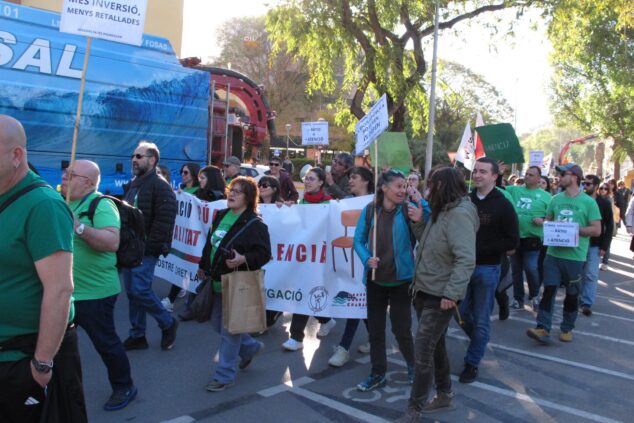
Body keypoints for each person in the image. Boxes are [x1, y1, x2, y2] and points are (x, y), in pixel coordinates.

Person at [0, 115, 87, 422]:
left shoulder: (43, 205)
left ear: (16, 155)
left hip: (24, 359)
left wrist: (41, 366)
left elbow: (60, 289)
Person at [396, 167, 479, 420]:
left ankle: (415, 407)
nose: (428, 190)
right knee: (435, 344)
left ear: (444, 186)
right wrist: (419, 221)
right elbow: (428, 242)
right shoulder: (444, 210)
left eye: (432, 185)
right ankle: (444, 394)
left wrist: (452, 294)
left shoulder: (459, 214)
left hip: (440, 294)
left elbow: (465, 259)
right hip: (426, 288)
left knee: (422, 350)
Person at [61, 160, 137, 410]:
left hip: (95, 292)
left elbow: (111, 242)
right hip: (65, 291)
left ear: (89, 182)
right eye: (65, 173)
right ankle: (62, 389)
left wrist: (78, 226)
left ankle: (124, 386)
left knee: (105, 343)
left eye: (71, 175)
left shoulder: (101, 204)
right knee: (59, 344)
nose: (64, 177)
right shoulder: (62, 202)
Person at [197, 177, 271, 392]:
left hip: (237, 283)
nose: (232, 194)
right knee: (216, 323)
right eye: (231, 189)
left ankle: (224, 376)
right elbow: (210, 244)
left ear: (248, 198)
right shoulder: (220, 215)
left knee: (230, 331)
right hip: (216, 281)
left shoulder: (255, 224)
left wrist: (243, 259)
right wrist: (203, 265)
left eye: (238, 192)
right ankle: (250, 348)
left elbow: (264, 254)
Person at [353, 169, 416, 391]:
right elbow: (358, 240)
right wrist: (366, 258)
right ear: (384, 188)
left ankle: (413, 365)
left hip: (401, 281)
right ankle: (377, 372)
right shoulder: (370, 210)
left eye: (405, 186)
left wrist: (420, 202)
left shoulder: (409, 210)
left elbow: (425, 225)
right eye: (399, 186)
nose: (403, 190)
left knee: (401, 330)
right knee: (376, 331)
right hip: (375, 280)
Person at [458, 158, 518, 384]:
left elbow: (512, 240)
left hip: (488, 268)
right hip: (463, 268)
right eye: (476, 171)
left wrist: (482, 249)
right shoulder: (466, 200)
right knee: (461, 313)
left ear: (494, 176)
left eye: (483, 171)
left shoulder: (503, 204)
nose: (478, 175)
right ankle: (479, 341)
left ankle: (472, 363)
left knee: (482, 318)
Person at [526, 163, 601, 345]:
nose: (558, 177)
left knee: (572, 294)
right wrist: (545, 224)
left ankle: (567, 328)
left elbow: (597, 230)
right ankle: (543, 327)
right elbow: (549, 221)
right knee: (549, 291)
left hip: (575, 257)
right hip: (553, 255)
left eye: (562, 174)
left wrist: (574, 230)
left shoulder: (589, 202)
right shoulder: (556, 199)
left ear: (574, 176)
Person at [122, 141, 179, 351]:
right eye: (133, 156)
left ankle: (167, 322)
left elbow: (164, 223)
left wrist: (150, 248)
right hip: (129, 248)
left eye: (139, 156)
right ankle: (137, 335)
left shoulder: (161, 186)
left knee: (140, 290)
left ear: (152, 160)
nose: (134, 160)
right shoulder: (134, 184)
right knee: (131, 291)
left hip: (145, 250)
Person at [283, 167, 336, 351]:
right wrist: (288, 211)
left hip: (320, 257)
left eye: (311, 179)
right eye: (306, 178)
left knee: (306, 291)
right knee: (306, 291)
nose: (307, 181)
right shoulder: (301, 202)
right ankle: (326, 320)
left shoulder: (330, 204)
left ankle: (296, 337)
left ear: (321, 182)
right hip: (303, 256)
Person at [328, 166, 375, 367]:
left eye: (354, 177)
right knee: (358, 303)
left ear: (366, 181)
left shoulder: (376, 204)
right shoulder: (345, 202)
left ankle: (344, 347)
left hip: (367, 260)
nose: (350, 181)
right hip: (350, 262)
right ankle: (372, 338)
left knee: (356, 302)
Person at [506, 165, 552, 311]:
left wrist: (543, 220)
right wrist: (499, 174)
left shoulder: (546, 197)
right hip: (515, 237)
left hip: (533, 239)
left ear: (539, 178)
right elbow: (498, 190)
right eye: (526, 174)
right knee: (516, 270)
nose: (527, 176)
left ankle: (534, 296)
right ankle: (518, 299)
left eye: (531, 175)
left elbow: (554, 218)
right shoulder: (515, 189)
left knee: (531, 267)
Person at [580, 175, 613, 316]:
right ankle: (576, 297)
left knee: (591, 274)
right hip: (578, 243)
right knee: (577, 273)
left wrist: (604, 247)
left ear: (596, 186)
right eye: (583, 183)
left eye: (588, 184)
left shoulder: (604, 203)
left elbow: (609, 226)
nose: (585, 186)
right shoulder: (579, 200)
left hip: (595, 245)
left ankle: (586, 302)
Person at [598, 182, 616, 271]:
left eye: (605, 189)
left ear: (608, 190)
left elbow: (610, 217)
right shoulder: (595, 198)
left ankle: (605, 262)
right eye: (601, 188)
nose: (603, 190)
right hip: (597, 224)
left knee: (607, 244)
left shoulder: (609, 200)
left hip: (606, 225)